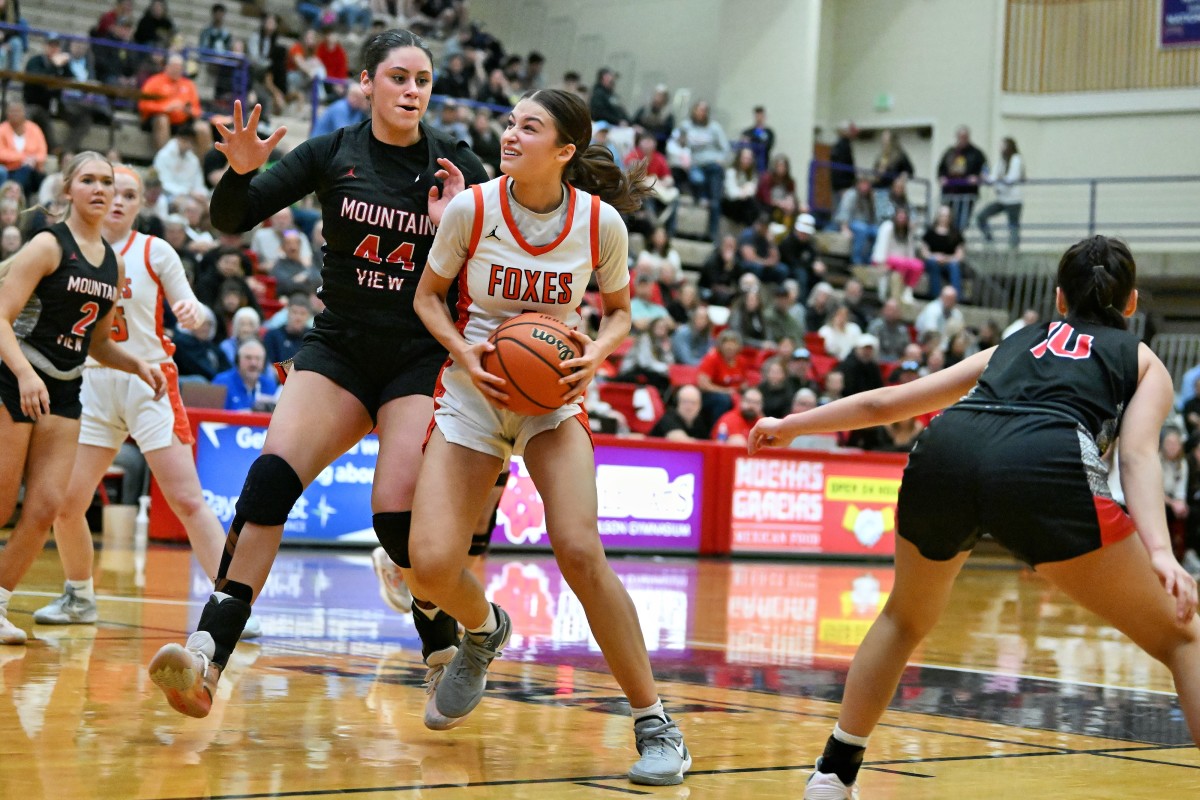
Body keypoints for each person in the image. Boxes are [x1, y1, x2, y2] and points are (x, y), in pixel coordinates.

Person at [749, 235, 1200, 799]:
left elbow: (888, 403)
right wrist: (1161, 553)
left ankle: (832, 774)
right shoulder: (1140, 359)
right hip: (1044, 461)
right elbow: (1136, 456)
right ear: (1130, 304)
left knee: (903, 619)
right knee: (1184, 636)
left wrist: (793, 424)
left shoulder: (1013, 344)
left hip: (948, 449)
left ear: (1059, 299)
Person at [145, 30, 490, 718]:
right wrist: (239, 172)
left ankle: (444, 649)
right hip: (339, 347)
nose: (412, 90)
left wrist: (457, 219)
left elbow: (500, 252)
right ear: (365, 84)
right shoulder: (335, 151)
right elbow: (233, 217)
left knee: (396, 522)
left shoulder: (458, 164)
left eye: (422, 79)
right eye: (397, 77)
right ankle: (208, 654)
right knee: (268, 482)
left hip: (419, 353)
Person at [406, 88, 691, 786]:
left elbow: (619, 312)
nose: (509, 134)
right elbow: (426, 296)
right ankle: (484, 629)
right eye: (508, 122)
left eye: (527, 127)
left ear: (564, 150)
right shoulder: (473, 207)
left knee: (580, 551)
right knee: (431, 565)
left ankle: (656, 722)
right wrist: (464, 353)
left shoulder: (599, 225)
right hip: (476, 388)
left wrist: (596, 352)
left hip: (553, 396)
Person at [33, 165, 260, 635]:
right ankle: (79, 596)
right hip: (91, 383)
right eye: (112, 191)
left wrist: (191, 312)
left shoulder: (155, 251)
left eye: (130, 195)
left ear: (140, 205)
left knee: (187, 501)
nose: (118, 200)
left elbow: (193, 308)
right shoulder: (71, 251)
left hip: (149, 381)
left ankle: (230, 605)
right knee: (67, 502)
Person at [0, 152, 168, 645]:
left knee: (48, 503)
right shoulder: (48, 246)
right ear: (68, 190)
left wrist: (136, 364)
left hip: (66, 387)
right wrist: (24, 373)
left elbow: (94, 341)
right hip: (16, 378)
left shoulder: (111, 265)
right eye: (89, 181)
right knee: (3, 499)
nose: (101, 190)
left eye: (108, 183)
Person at [976, 136, 1025, 250]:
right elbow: (994, 177)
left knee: (1013, 225)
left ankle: (1013, 249)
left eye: (1002, 145)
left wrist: (999, 180)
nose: (1000, 147)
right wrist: (985, 178)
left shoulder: (1016, 159)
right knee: (981, 217)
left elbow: (1012, 178)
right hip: (1001, 199)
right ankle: (989, 240)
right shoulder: (1001, 161)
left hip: (1014, 199)